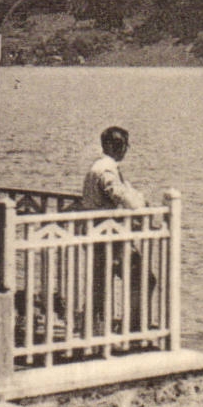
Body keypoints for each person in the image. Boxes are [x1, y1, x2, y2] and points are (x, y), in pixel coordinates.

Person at [79, 126, 150, 345]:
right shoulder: (106, 170)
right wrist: (139, 203)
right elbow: (124, 198)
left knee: (101, 285)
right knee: (144, 279)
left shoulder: (101, 167)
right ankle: (133, 329)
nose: (123, 150)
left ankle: (96, 331)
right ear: (108, 146)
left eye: (125, 146)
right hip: (108, 236)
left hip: (98, 234)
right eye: (119, 145)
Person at [80, 126, 146, 211]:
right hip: (103, 221)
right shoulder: (107, 170)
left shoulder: (97, 165)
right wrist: (140, 198)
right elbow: (131, 204)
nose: (125, 149)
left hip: (92, 218)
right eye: (123, 145)